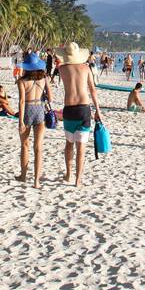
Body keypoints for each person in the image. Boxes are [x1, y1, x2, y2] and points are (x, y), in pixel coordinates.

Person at [57, 42, 102, 187]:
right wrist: (98, 111)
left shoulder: (62, 69)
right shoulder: (86, 68)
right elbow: (93, 91)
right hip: (83, 109)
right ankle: (78, 180)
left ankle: (69, 173)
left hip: (69, 109)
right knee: (81, 148)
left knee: (69, 144)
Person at [17, 52, 52, 188]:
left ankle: (23, 175)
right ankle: (36, 181)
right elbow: (51, 97)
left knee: (24, 145)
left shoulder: (22, 81)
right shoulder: (44, 79)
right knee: (38, 148)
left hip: (27, 111)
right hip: (39, 110)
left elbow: (21, 102)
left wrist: (20, 122)